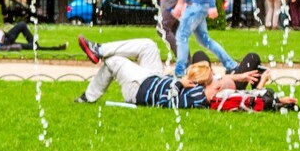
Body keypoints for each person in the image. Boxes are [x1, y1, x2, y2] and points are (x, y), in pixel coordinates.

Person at [75, 36, 216, 108]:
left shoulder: (197, 95)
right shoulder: (199, 85)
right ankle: (99, 49)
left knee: (113, 61)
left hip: (139, 89)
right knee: (148, 45)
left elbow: (166, 102)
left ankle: (87, 97)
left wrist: (179, 84)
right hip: (154, 78)